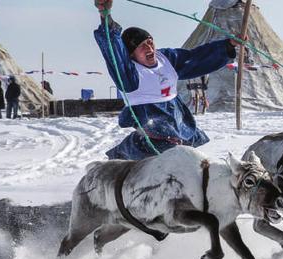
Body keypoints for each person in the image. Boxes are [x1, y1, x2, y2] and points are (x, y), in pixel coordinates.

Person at [94, 0, 241, 160]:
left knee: (188, 154)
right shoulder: (129, 73)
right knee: (162, 154)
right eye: (142, 46)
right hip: (151, 124)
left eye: (150, 42)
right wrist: (105, 16)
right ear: (131, 54)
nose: (149, 48)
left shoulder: (166, 59)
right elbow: (113, 50)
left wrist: (228, 46)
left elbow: (196, 58)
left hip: (177, 117)